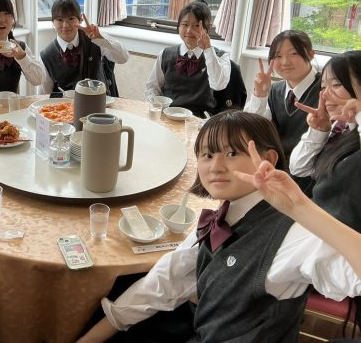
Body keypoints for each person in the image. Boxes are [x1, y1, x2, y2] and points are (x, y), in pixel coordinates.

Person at [77, 111, 361, 343]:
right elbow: (163, 282)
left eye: (232, 153)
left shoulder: (293, 235)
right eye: (207, 155)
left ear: (269, 159)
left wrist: (302, 209)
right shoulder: (220, 216)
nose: (216, 166)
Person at [290, 51, 361, 232]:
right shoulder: (340, 127)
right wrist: (318, 131)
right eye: (323, 87)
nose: (326, 95)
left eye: (336, 85)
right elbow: (299, 168)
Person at [244, 30, 320, 163]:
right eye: (278, 56)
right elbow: (250, 129)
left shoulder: (327, 89)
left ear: (311, 54)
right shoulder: (275, 90)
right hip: (274, 163)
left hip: (311, 167)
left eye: (294, 53)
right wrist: (259, 96)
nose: (285, 62)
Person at [145, 0, 231, 117]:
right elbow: (152, 87)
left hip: (201, 121)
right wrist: (156, 106)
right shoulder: (165, 54)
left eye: (196, 26)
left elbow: (218, 84)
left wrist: (208, 49)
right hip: (168, 117)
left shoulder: (221, 56)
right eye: (185, 24)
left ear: (208, 28)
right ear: (178, 26)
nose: (189, 30)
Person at [40, 0, 129, 94]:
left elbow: (123, 58)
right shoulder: (46, 56)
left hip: (99, 101)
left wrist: (100, 39)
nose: (65, 25)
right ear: (53, 22)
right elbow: (44, 94)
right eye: (60, 20)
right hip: (66, 103)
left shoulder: (95, 37)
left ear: (80, 19)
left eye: (71, 18)